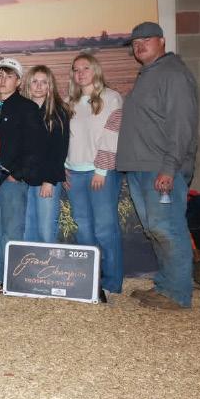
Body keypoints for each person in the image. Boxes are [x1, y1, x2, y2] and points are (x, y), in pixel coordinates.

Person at [118, 22, 200, 310]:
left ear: (162, 41)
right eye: (135, 42)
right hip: (142, 167)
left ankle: (177, 294)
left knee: (168, 228)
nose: (139, 45)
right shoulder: (149, 73)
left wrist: (169, 167)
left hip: (160, 168)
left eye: (146, 40)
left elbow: (181, 125)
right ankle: (165, 285)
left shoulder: (173, 74)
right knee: (155, 229)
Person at [64, 52, 123, 300]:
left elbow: (112, 134)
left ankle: (111, 282)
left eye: (85, 68)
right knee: (84, 229)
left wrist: (101, 169)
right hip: (74, 173)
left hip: (101, 173)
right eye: (76, 69)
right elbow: (62, 138)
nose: (80, 73)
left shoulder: (111, 98)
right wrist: (63, 167)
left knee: (105, 229)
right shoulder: (68, 102)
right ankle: (89, 281)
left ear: (95, 70)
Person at [0, 57, 39, 287]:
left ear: (18, 82)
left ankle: (12, 278)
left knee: (12, 230)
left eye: (9, 76)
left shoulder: (27, 108)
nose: (3, 80)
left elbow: (34, 147)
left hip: (11, 179)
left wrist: (17, 174)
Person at [21, 65, 70, 244]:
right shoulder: (23, 111)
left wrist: (49, 181)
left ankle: (49, 262)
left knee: (46, 229)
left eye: (44, 82)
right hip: (26, 179)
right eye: (35, 81)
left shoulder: (58, 112)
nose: (39, 86)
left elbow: (60, 150)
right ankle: (30, 262)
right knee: (28, 229)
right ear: (28, 84)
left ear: (50, 86)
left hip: (48, 179)